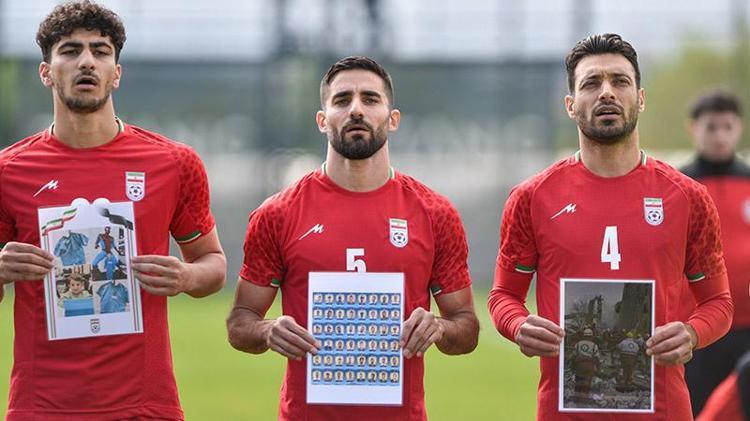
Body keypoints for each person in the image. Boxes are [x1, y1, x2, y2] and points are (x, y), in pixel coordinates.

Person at [488, 33, 733, 420]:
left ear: (641, 98)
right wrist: (518, 325)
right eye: (591, 83)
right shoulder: (532, 197)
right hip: (564, 411)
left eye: (620, 81)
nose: (607, 92)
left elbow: (719, 303)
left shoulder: (688, 197)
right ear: (570, 105)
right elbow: (503, 295)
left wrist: (692, 332)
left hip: (664, 410)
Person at [0, 1, 226, 419]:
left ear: (116, 73)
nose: (87, 61)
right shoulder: (8, 170)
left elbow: (213, 265)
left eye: (100, 51)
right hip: (41, 405)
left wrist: (186, 276)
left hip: (145, 405)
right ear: (46, 72)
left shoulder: (173, 163)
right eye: (71, 50)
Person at [226, 56, 479, 420]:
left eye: (370, 99)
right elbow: (240, 322)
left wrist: (438, 327)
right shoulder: (278, 213)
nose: (356, 109)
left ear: (393, 119)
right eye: (342, 100)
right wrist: (267, 331)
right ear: (322, 120)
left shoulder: (434, 213)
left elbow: (466, 328)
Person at [678, 91, 750, 415]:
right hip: (697, 329)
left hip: (746, 326)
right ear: (693, 129)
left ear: (739, 128)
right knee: (697, 410)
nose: (720, 136)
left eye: (727, 127)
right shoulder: (677, 185)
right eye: (711, 127)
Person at [570, 328, 600, 403]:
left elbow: (573, 356)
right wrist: (597, 367)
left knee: (578, 381)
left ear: (583, 336)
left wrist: (572, 367)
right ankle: (584, 399)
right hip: (589, 365)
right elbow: (596, 358)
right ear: (591, 336)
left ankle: (577, 398)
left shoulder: (578, 344)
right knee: (587, 382)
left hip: (579, 365)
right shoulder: (594, 345)